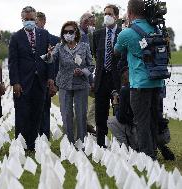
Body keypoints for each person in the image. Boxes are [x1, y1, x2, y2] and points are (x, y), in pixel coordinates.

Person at [114, 0, 164, 159]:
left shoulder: (127, 33)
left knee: (140, 121)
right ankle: (153, 151)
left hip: (139, 84)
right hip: (158, 81)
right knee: (153, 119)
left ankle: (147, 157)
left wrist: (125, 28)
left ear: (129, 13)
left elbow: (116, 51)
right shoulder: (156, 28)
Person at [8, 6, 55, 151]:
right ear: (22, 19)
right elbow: (12, 61)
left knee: (37, 113)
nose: (29, 21)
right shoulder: (16, 37)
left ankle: (33, 145)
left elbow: (50, 57)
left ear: (36, 19)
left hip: (40, 81)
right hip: (23, 82)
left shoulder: (44, 34)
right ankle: (21, 145)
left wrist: (50, 77)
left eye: (31, 19)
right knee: (22, 113)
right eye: (26, 19)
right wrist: (15, 82)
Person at [48, 21, 94, 143]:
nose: (67, 34)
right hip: (64, 84)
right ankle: (69, 143)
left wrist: (83, 71)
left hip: (81, 84)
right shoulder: (59, 47)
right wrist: (48, 54)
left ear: (76, 33)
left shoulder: (84, 46)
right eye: (65, 32)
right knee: (66, 115)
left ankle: (81, 142)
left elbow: (91, 66)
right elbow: (51, 60)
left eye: (70, 32)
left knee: (81, 114)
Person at [93, 4, 122, 147]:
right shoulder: (97, 34)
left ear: (116, 16)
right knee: (100, 113)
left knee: (119, 112)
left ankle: (120, 143)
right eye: (105, 14)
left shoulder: (123, 33)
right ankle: (100, 144)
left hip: (117, 79)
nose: (107, 16)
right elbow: (95, 54)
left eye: (110, 14)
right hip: (101, 78)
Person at [36, 11, 60, 139]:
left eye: (37, 22)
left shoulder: (54, 40)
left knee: (45, 109)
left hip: (47, 80)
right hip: (33, 80)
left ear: (43, 22)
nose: (35, 25)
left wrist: (54, 82)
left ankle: (44, 136)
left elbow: (56, 63)